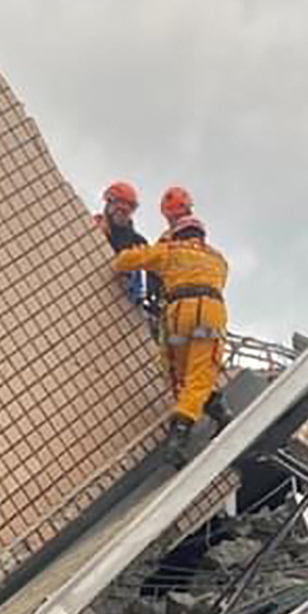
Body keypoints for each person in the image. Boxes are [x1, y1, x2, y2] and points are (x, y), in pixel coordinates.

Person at [112, 186, 229, 463]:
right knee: (201, 373)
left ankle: (213, 414)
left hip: (177, 317)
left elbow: (124, 261)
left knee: (178, 373)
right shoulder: (219, 260)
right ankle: (182, 435)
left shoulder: (168, 250)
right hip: (210, 313)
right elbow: (220, 282)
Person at [94, 180, 158, 317]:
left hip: (117, 306)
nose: (122, 214)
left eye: (127, 210)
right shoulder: (93, 228)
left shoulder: (137, 243)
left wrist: (147, 293)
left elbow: (154, 275)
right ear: (108, 204)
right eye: (119, 208)